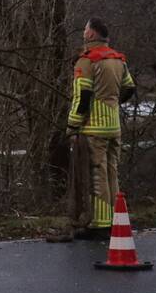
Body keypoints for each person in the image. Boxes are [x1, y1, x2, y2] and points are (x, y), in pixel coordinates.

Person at [48, 17, 136, 242]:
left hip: (93, 128)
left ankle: (100, 224)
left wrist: (72, 124)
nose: (83, 33)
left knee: (96, 175)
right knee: (112, 173)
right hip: (114, 126)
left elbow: (83, 96)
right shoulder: (118, 59)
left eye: (86, 29)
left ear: (91, 35)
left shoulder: (86, 61)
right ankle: (117, 219)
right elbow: (129, 88)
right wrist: (112, 104)